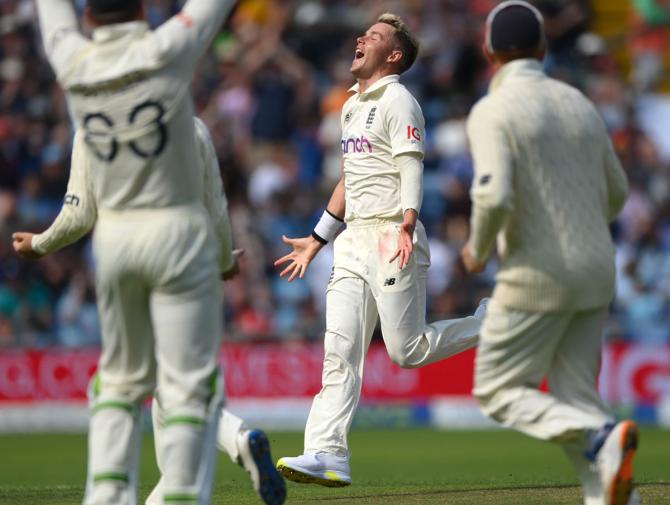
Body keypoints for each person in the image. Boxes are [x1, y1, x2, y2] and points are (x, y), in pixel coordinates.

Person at [26, 1, 284, 503]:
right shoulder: (168, 49)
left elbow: (51, 13)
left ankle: (105, 493)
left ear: (88, 20)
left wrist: (37, 242)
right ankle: (181, 494)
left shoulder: (73, 59)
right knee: (188, 384)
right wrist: (226, 259)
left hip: (116, 240)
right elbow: (216, 205)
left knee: (120, 380)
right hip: (177, 235)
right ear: (143, 12)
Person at [274, 13, 485, 487]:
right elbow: (351, 179)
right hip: (351, 242)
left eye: (373, 36)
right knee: (339, 350)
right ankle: (327, 453)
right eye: (362, 33)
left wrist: (408, 219)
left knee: (406, 351)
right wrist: (317, 237)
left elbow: (411, 162)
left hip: (393, 232)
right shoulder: (351, 105)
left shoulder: (398, 99)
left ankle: (488, 325)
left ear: (393, 55)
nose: (359, 38)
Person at [460, 3, 638, 505]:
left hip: (536, 274)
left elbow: (493, 195)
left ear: (489, 51)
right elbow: (618, 192)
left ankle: (600, 435)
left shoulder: (492, 109)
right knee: (576, 396)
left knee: (497, 391)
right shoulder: (579, 102)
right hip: (597, 271)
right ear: (542, 48)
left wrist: (476, 250)